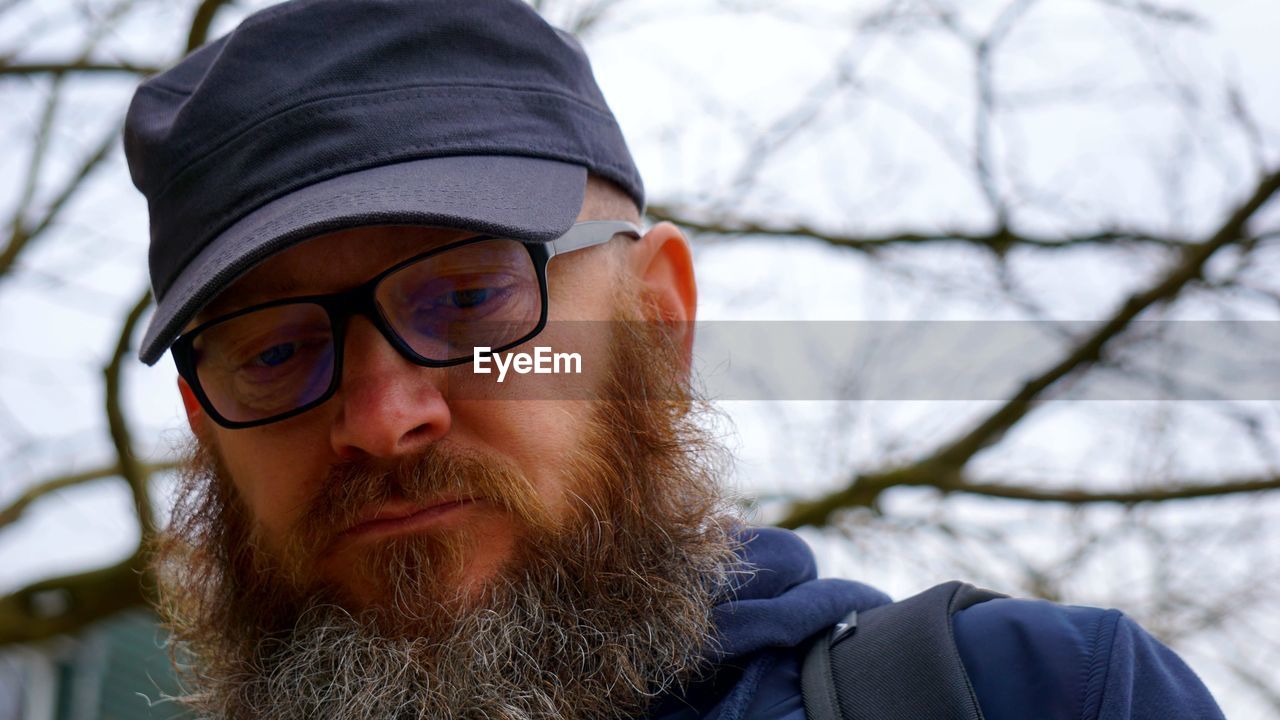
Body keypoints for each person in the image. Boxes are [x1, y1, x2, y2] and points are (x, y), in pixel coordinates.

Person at [124, 1, 1226, 718]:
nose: (378, 415)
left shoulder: (1037, 699)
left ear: (655, 321)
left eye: (466, 298)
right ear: (202, 418)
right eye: (271, 350)